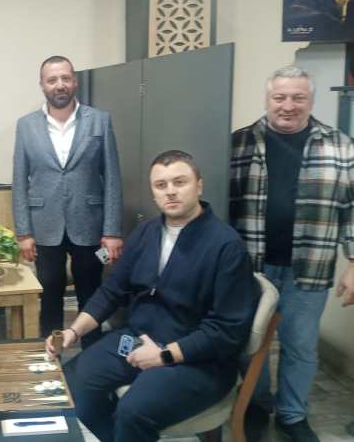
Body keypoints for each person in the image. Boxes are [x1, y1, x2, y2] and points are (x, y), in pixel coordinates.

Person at [52, 150, 255, 442]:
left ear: (198, 186)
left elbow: (226, 331)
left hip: (200, 361)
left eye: (179, 182)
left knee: (133, 413)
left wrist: (163, 355)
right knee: (69, 385)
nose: (170, 191)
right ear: (154, 193)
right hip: (138, 339)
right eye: (161, 185)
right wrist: (73, 331)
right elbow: (112, 290)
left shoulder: (227, 246)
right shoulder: (145, 233)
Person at [230, 66, 354, 442]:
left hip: (310, 268)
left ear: (311, 101)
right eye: (280, 97)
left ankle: (292, 413)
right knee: (248, 342)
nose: (288, 106)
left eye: (298, 98)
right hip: (249, 268)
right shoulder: (238, 144)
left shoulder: (341, 146)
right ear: (267, 99)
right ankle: (256, 403)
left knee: (300, 346)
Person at [12, 56, 123, 348]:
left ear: (74, 81)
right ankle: (51, 357)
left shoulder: (99, 120)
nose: (59, 85)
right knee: (50, 294)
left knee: (91, 293)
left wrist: (112, 231)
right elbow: (19, 180)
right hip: (44, 226)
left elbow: (112, 177)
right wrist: (23, 232)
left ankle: (92, 358)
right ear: (42, 85)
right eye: (52, 80)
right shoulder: (26, 125)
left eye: (65, 78)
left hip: (90, 225)